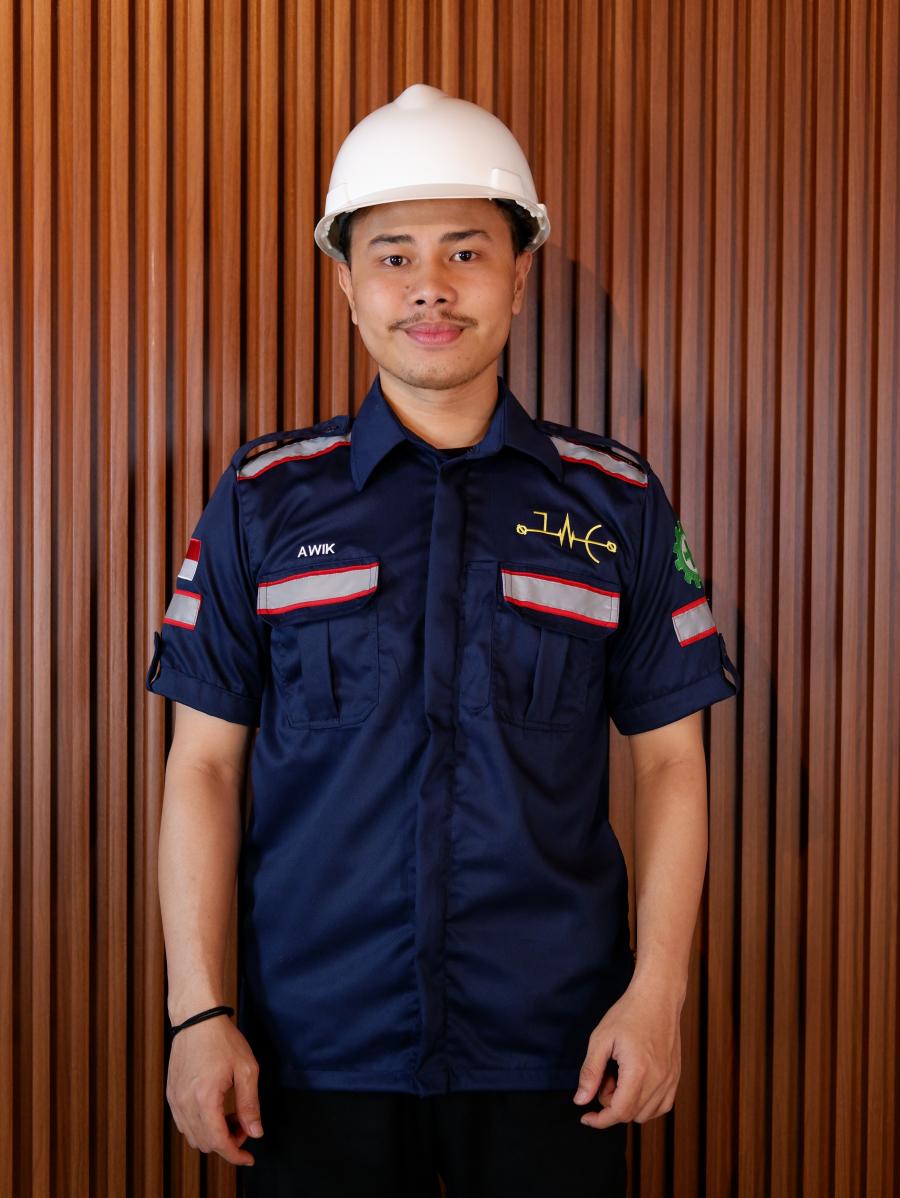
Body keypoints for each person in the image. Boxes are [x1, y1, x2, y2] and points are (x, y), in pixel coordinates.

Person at [147, 83, 739, 1196]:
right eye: (394, 255)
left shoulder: (616, 502)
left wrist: (658, 995)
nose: (431, 286)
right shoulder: (261, 500)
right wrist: (197, 1013)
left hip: (557, 1052)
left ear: (520, 275)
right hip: (309, 1055)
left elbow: (672, 763)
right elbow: (204, 766)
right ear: (347, 285)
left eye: (466, 251)